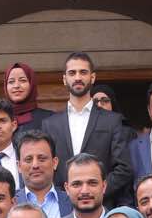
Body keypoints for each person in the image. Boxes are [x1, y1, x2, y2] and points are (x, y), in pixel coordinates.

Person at [44, 53, 133, 208]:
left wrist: (95, 191)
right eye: (72, 73)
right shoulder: (50, 124)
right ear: (64, 79)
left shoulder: (112, 120)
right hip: (61, 207)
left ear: (92, 77)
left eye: (83, 72)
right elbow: (47, 168)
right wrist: (65, 196)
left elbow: (123, 169)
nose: (78, 77)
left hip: (102, 206)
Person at [14, 129, 73, 218]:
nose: (35, 165)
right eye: (28, 160)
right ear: (19, 166)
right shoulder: (10, 203)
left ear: (55, 163)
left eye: (42, 159)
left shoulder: (72, 201)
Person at [5, 62, 53, 131]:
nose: (16, 86)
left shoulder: (49, 119)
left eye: (23, 80)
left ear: (32, 84)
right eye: (11, 82)